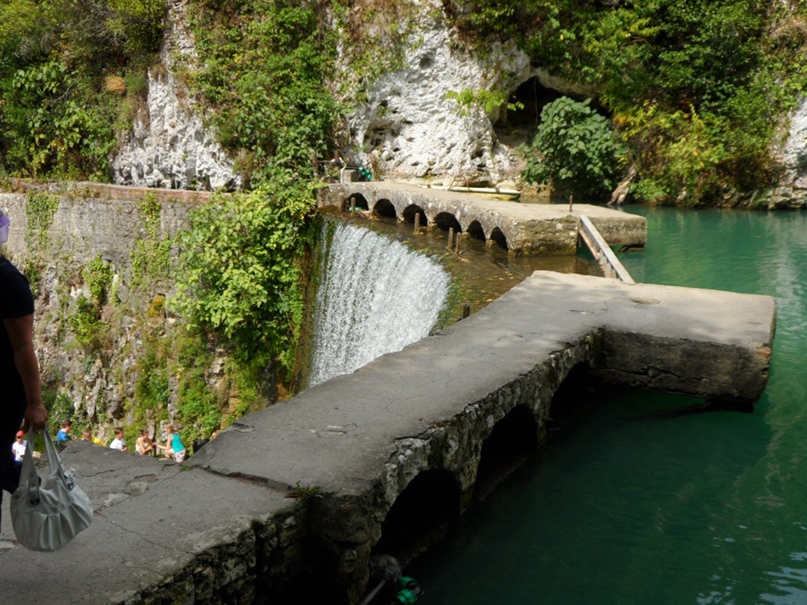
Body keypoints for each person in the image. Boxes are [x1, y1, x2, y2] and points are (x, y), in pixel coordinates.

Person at [1, 208, 48, 529]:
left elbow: (22, 347)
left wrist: (35, 403)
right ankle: (30, 486)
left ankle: (32, 489)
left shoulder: (8, 282)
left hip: (2, 392)